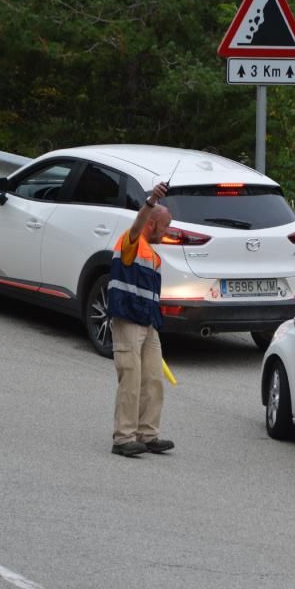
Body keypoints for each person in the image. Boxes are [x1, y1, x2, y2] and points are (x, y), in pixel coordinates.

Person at [108, 181, 175, 457]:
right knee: (131, 379)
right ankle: (123, 438)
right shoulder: (131, 242)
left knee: (153, 380)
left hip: (147, 325)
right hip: (127, 322)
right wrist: (151, 201)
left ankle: (148, 435)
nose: (168, 231)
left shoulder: (153, 257)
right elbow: (137, 225)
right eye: (165, 226)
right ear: (152, 224)